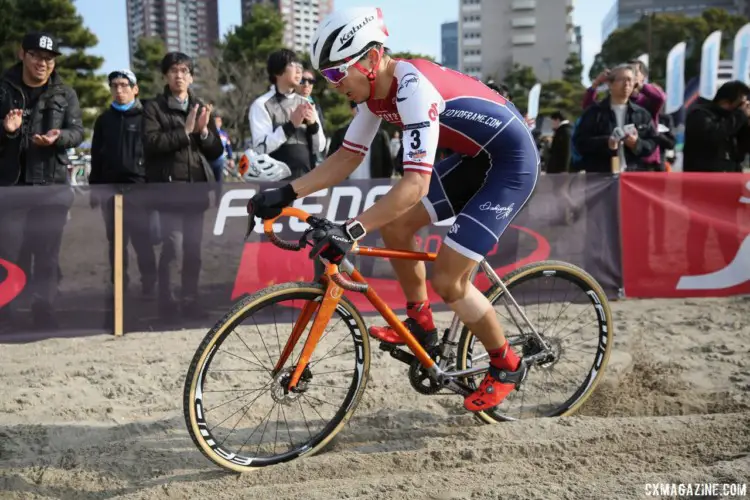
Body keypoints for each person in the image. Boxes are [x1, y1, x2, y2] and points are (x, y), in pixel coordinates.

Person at [246, 7, 540, 412]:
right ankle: (421, 325)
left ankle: (506, 363)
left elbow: (415, 183)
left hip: (510, 163)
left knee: (450, 280)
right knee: (398, 229)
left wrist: (350, 230)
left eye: (336, 74)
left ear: (369, 59)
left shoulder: (411, 86)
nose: (332, 85)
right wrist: (285, 192)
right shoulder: (371, 94)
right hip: (475, 158)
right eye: (327, 75)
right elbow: (347, 158)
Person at [0, 32, 84, 330]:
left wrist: (59, 137)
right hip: (11, 188)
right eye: (36, 56)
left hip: (52, 187)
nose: (43, 63)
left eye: (49, 59)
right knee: (7, 254)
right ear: (22, 54)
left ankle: (43, 309)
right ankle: (6, 312)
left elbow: (78, 131)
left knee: (47, 254)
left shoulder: (65, 93)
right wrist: (7, 130)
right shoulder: (3, 89)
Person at [142, 52, 224, 318]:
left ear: (191, 77)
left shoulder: (200, 106)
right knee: (171, 248)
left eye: (184, 71)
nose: (179, 75)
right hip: (167, 192)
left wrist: (202, 132)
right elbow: (150, 144)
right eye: (174, 70)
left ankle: (190, 300)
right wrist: (184, 132)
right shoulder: (154, 107)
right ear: (166, 75)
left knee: (193, 251)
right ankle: (167, 302)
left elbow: (215, 151)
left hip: (195, 190)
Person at [89, 69, 157, 298]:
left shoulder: (145, 117)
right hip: (110, 191)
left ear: (135, 89)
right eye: (115, 85)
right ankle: (119, 285)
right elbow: (96, 155)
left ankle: (149, 284)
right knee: (116, 244)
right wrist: (94, 189)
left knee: (143, 243)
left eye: (124, 85)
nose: (120, 90)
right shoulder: (103, 120)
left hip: (139, 191)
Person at [249, 49, 326, 179]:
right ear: (277, 72)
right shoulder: (261, 104)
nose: (299, 70)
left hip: (307, 179)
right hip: (276, 181)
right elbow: (261, 148)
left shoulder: (306, 103)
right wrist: (290, 126)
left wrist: (313, 126)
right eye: (292, 65)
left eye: (299, 66)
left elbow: (320, 147)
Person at [573, 64, 658, 172]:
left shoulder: (642, 114)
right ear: (610, 84)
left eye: (630, 80)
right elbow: (580, 143)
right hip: (601, 177)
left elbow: (652, 143)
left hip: (632, 176)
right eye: (622, 80)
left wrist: (637, 144)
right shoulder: (594, 112)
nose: (627, 84)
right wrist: (606, 142)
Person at [327, 101, 394, 179]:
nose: (364, 112)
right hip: (346, 188)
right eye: (358, 109)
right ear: (351, 110)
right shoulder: (340, 135)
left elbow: (388, 165)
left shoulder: (381, 136)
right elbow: (331, 163)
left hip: (374, 187)